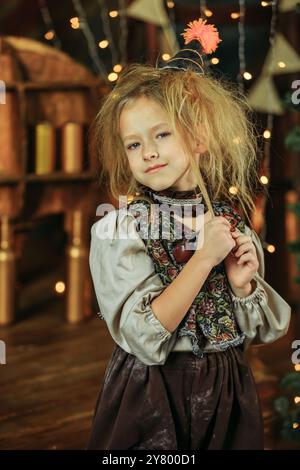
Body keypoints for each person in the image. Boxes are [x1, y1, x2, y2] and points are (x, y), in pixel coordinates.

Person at [86, 19, 291, 450]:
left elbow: (259, 331)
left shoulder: (229, 219)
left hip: (228, 388)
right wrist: (201, 260)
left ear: (198, 139)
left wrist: (241, 285)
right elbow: (143, 339)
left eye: (162, 134)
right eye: (134, 144)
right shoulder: (121, 228)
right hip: (153, 394)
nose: (150, 152)